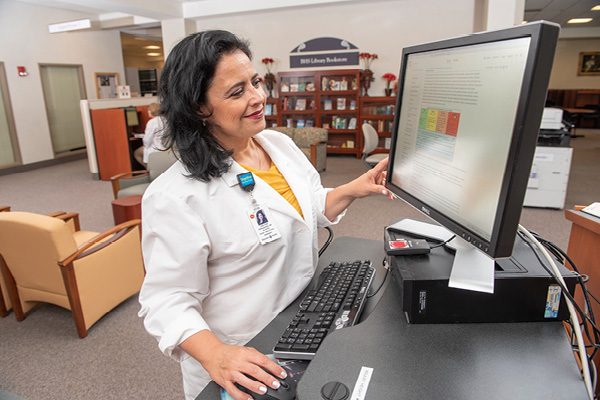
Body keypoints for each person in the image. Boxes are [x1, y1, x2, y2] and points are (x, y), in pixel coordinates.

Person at [138, 30, 392, 400]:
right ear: (197, 107)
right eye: (237, 92)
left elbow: (306, 206)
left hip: (299, 321)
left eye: (255, 81)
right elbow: (166, 300)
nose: (258, 97)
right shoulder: (174, 196)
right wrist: (217, 355)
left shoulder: (278, 145)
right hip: (245, 354)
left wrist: (353, 188)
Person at [133, 103, 165, 168]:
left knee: (136, 153)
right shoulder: (164, 120)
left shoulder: (152, 122)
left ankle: (149, 169)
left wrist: (145, 144)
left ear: (152, 111)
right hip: (165, 148)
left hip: (155, 148)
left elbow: (147, 141)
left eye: (148, 110)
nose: (148, 112)